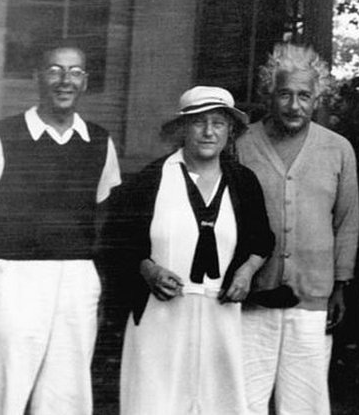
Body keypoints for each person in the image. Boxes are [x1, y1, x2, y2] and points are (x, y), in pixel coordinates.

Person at [0, 42, 122, 415]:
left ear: (85, 82)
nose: (64, 81)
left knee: (67, 396)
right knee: (3, 390)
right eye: (55, 70)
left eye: (74, 72)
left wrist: (95, 281)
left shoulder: (100, 142)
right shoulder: (3, 135)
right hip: (14, 277)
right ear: (37, 77)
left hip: (76, 280)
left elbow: (101, 216)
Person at [107, 86, 275, 415]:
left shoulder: (243, 181)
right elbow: (119, 240)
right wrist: (148, 270)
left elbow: (262, 240)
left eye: (219, 123)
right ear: (183, 128)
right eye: (199, 122)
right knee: (154, 404)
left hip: (221, 314)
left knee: (220, 406)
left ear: (231, 131)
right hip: (160, 315)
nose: (209, 131)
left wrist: (247, 270)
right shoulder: (150, 180)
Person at [236, 43, 359, 415]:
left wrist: (340, 285)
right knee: (244, 400)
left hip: (313, 295)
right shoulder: (241, 145)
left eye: (304, 96)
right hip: (253, 298)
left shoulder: (338, 149)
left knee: (304, 404)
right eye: (285, 94)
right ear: (269, 95)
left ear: (317, 98)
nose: (294, 106)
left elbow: (347, 220)